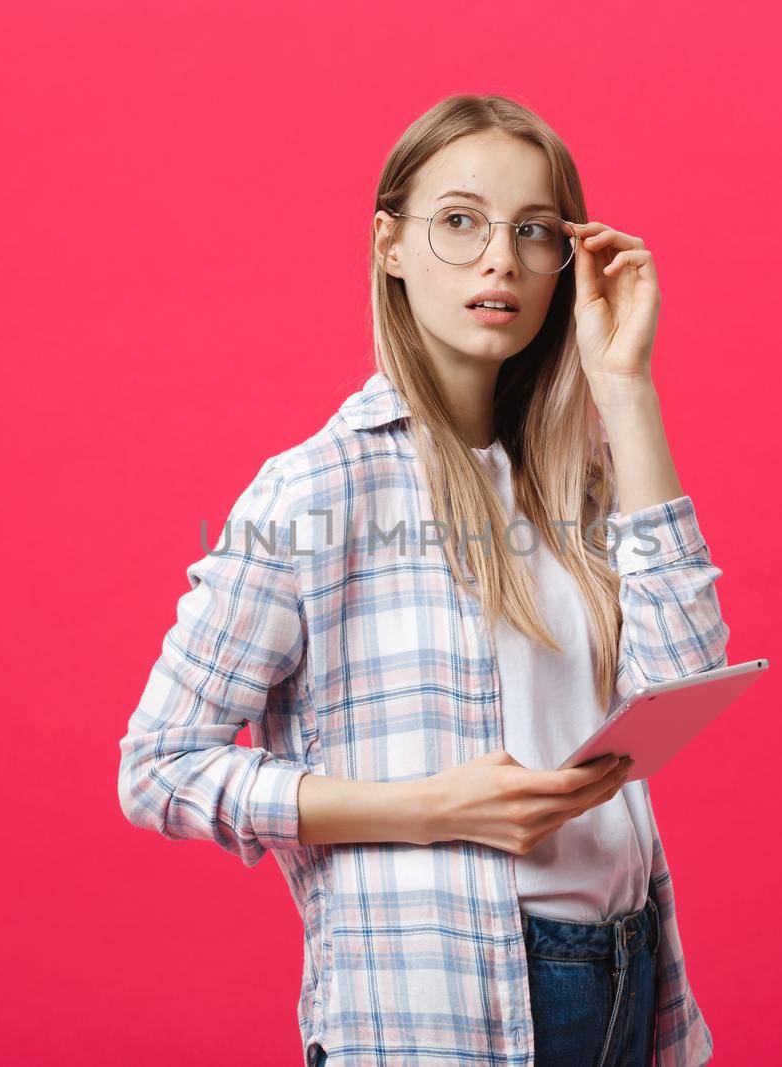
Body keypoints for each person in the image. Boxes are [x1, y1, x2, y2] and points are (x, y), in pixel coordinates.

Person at [117, 93, 730, 1067]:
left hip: (629, 977)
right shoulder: (317, 489)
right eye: (460, 222)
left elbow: (687, 677)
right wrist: (432, 804)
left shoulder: (583, 475)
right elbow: (157, 767)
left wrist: (626, 387)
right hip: (443, 1004)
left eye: (533, 231)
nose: (500, 259)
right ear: (390, 245)